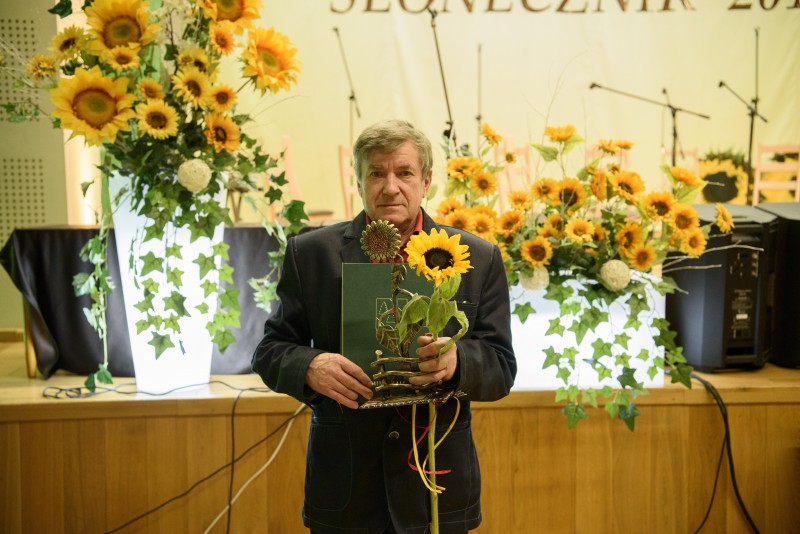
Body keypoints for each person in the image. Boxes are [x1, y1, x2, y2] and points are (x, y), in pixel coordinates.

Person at [252, 119, 516, 533]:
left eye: (404, 173)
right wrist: (310, 366)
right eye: (377, 173)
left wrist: (457, 362)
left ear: (426, 181)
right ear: (358, 182)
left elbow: (501, 366)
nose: (390, 187)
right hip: (346, 489)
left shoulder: (476, 258)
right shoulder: (311, 254)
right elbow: (270, 351)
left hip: (437, 491)